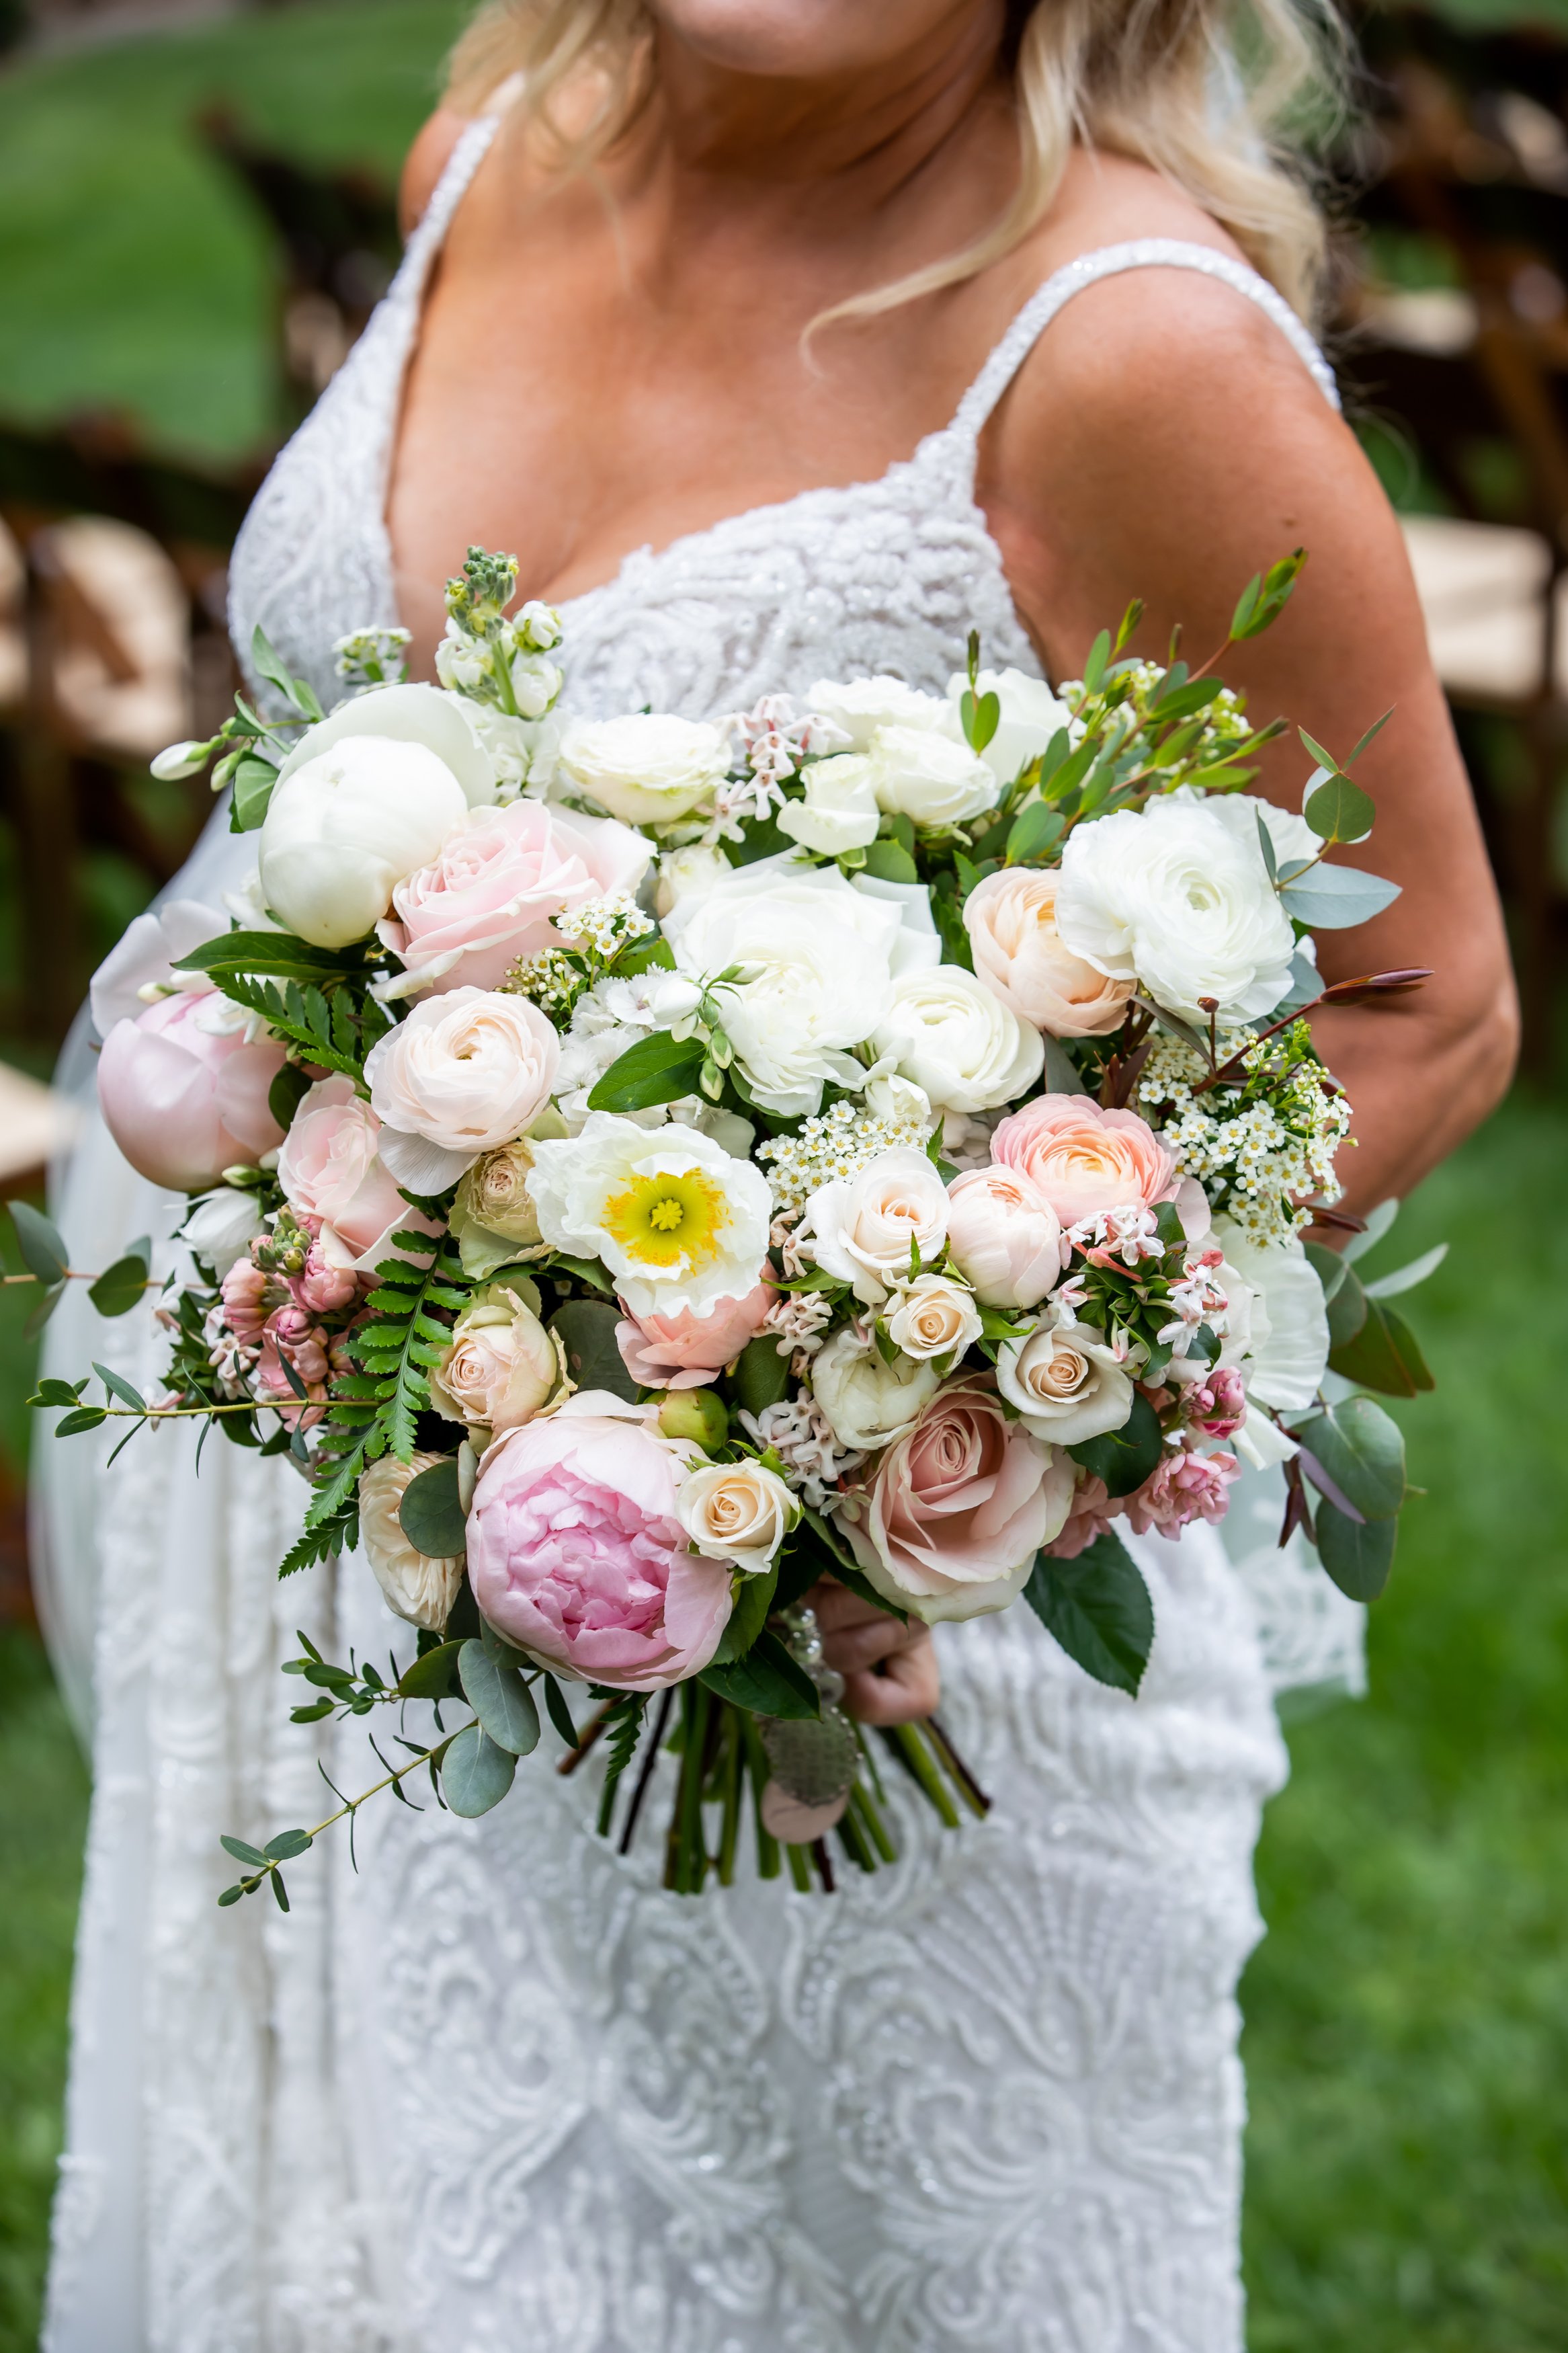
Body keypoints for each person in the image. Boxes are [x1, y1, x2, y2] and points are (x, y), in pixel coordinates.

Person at [38, 2, 1516, 2346]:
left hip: (872, 1649)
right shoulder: (495, 141)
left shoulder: (1127, 354)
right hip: (396, 1563)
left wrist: (898, 1389)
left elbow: (1428, 994)